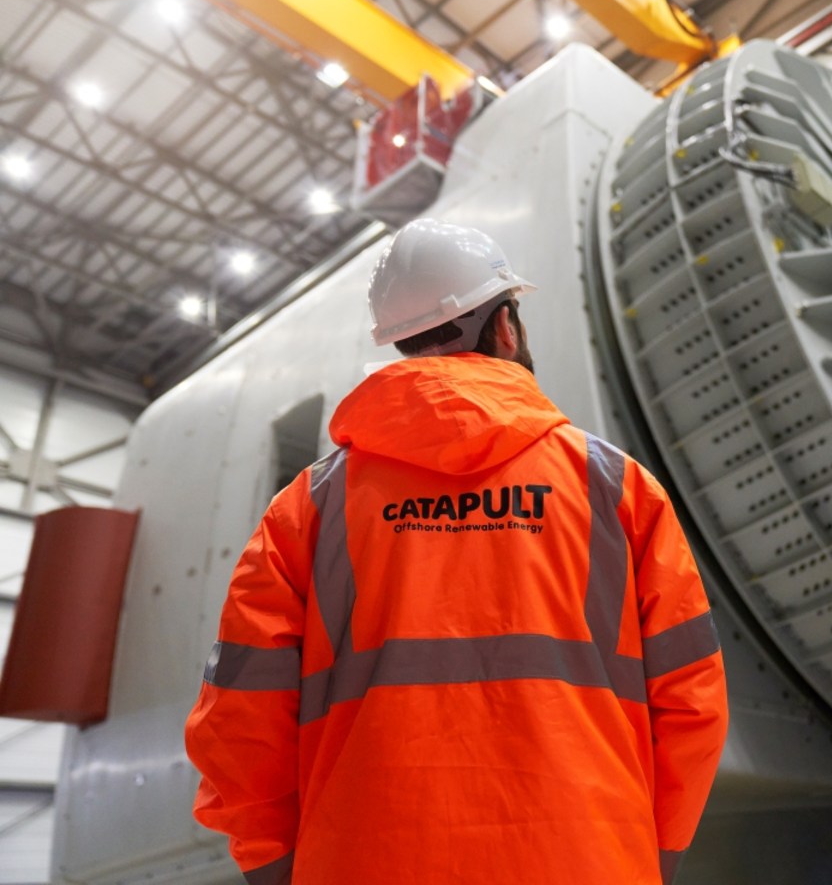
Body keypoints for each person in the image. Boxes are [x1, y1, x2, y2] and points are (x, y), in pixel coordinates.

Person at [185, 218, 728, 885]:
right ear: (505, 328)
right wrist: (650, 854)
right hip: (588, 860)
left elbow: (239, 721)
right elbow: (693, 704)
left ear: (403, 343)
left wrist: (277, 868)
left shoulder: (308, 508)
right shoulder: (618, 490)